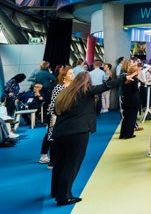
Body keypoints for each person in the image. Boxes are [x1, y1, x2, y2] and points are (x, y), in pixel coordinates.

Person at [51, 71, 134, 206]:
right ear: (87, 82)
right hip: (77, 132)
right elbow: (106, 86)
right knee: (72, 164)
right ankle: (64, 196)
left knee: (60, 162)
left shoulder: (65, 93)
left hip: (60, 132)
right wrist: (124, 78)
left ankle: (56, 191)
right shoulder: (85, 90)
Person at [42, 66, 74, 168]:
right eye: (70, 73)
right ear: (64, 76)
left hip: (70, 117)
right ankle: (53, 161)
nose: (72, 75)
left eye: (72, 73)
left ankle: (64, 160)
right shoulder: (58, 87)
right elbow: (53, 103)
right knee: (54, 138)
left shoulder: (73, 87)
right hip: (58, 116)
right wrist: (53, 116)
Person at [119, 65, 140, 140]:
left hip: (126, 100)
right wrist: (138, 85)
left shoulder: (126, 79)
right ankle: (128, 134)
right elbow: (135, 90)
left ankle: (122, 134)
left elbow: (124, 89)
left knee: (126, 117)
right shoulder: (135, 79)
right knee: (132, 118)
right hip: (134, 101)